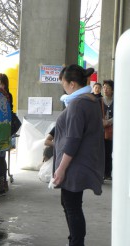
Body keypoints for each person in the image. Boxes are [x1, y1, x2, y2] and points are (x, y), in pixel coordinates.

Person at [53, 65, 104, 246]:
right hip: (81, 162)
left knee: (72, 208)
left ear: (72, 84)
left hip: (74, 164)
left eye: (64, 84)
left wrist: (61, 168)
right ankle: (74, 241)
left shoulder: (77, 104)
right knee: (71, 205)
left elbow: (73, 139)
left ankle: (76, 243)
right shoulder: (91, 100)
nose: (63, 87)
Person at [102, 79, 114, 180]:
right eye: (104, 87)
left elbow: (120, 114)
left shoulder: (116, 101)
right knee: (101, 152)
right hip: (101, 131)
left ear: (112, 90)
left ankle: (107, 173)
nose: (105, 89)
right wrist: (102, 122)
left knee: (109, 152)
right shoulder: (99, 101)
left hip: (113, 132)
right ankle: (101, 173)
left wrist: (109, 121)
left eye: (108, 88)